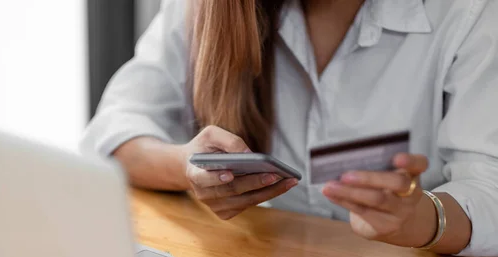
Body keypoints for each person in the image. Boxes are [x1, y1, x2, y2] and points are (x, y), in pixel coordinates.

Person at [81, 0, 498, 255]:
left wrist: (420, 218)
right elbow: (112, 133)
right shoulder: (204, 7)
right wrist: (188, 168)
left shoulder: (469, 12)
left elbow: (490, 192)